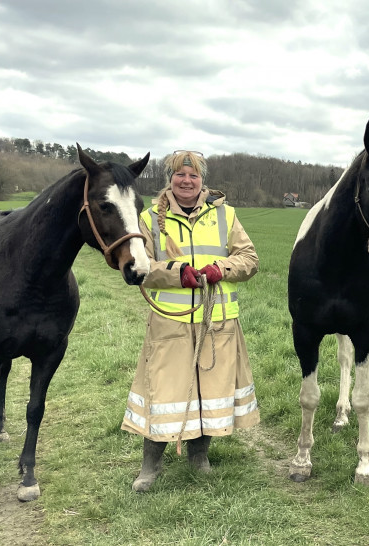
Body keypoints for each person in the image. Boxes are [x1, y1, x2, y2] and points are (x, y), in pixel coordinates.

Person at [121, 150, 260, 492]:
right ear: (170, 179)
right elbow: (141, 268)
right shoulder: (149, 218)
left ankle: (199, 456)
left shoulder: (226, 216)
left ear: (202, 181)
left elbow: (250, 259)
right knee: (163, 393)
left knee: (210, 393)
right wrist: (176, 274)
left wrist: (221, 269)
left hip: (219, 325)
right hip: (171, 325)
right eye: (180, 175)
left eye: (193, 176)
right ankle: (150, 466)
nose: (186, 181)